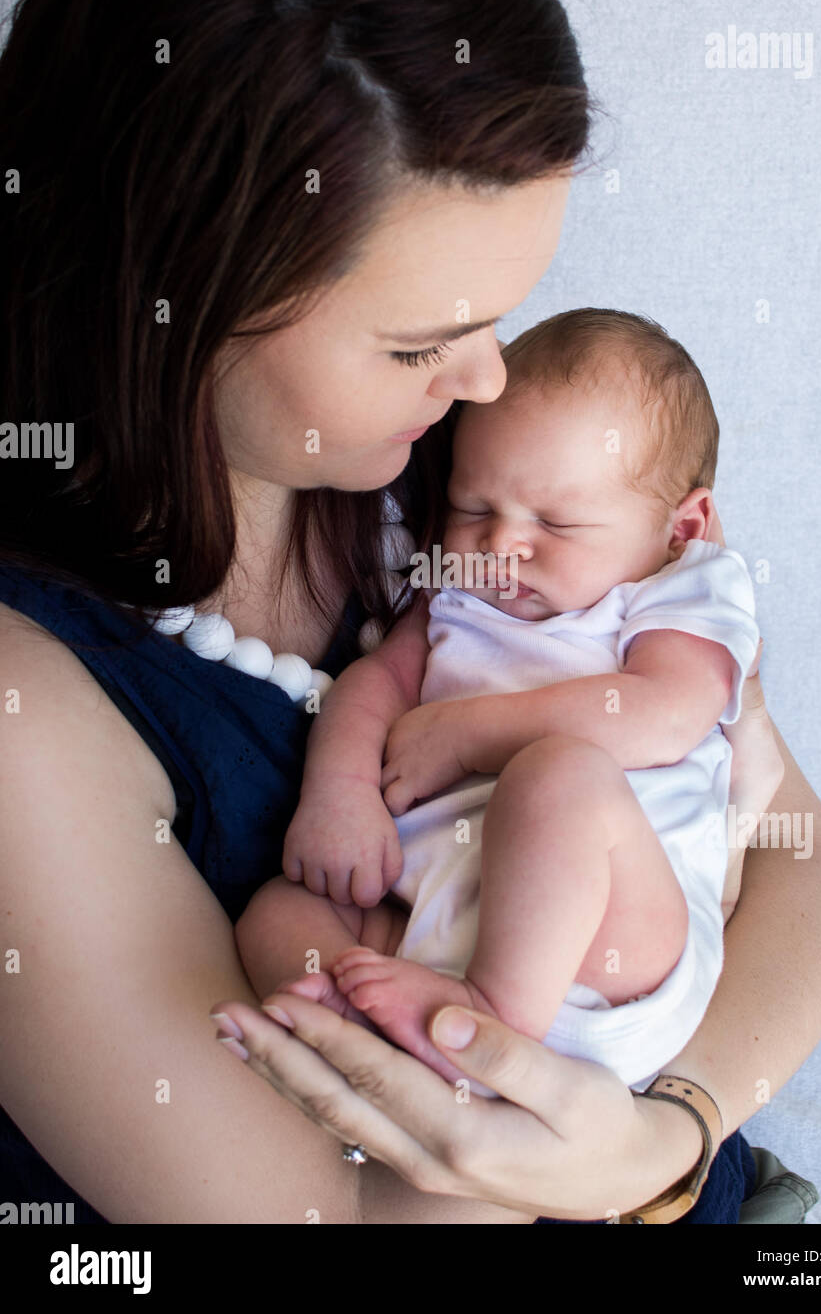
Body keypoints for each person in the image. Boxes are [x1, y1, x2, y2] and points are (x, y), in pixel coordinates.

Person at [0, 0, 821, 1225]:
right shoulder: (35, 706)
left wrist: (661, 1135)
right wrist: (554, 1134)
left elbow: (814, 883)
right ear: (166, 292)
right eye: (425, 343)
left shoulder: (494, 475)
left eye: (500, 315)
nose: (487, 379)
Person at [234, 309, 762, 1104]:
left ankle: (485, 1024)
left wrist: (470, 734)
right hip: (432, 928)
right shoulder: (455, 586)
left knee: (560, 777)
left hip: (611, 944)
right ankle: (353, 1025)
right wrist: (339, 794)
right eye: (475, 509)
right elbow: (375, 685)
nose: (500, 545)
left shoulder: (675, 590)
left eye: (555, 523)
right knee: (278, 913)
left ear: (680, 526)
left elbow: (665, 715)